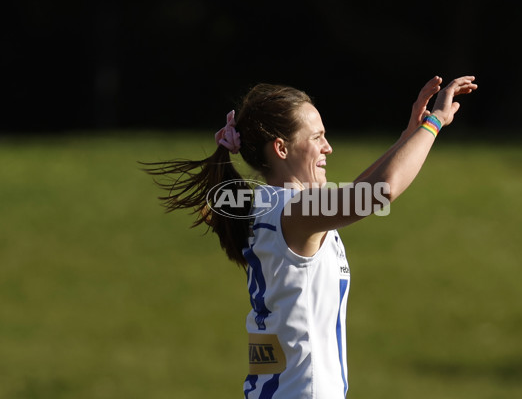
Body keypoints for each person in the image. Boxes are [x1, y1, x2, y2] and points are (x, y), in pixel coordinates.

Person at [142, 75, 477, 398]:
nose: (327, 148)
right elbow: (379, 192)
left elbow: (358, 191)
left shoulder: (276, 207)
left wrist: (408, 135)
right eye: (316, 137)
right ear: (281, 148)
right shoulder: (292, 212)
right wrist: (434, 123)